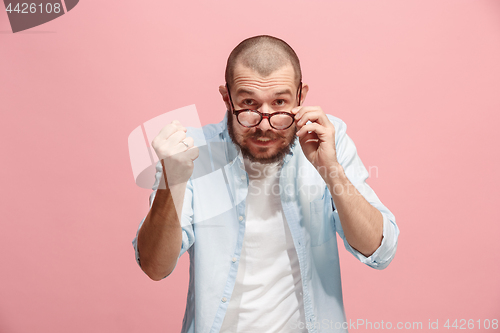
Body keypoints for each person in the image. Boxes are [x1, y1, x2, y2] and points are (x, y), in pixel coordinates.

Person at [132, 35, 399, 333]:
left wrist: (330, 169)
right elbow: (155, 267)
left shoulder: (328, 140)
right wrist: (172, 180)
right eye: (249, 103)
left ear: (301, 96)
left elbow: (381, 250)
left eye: (280, 102)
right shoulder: (189, 152)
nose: (264, 123)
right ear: (226, 97)